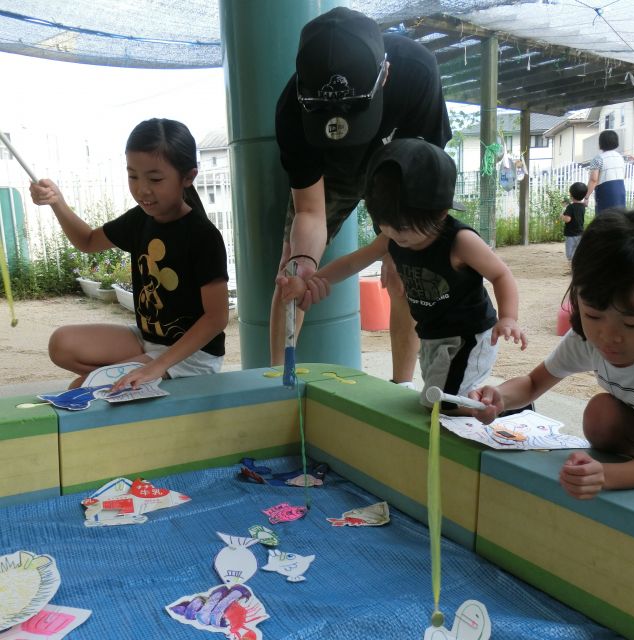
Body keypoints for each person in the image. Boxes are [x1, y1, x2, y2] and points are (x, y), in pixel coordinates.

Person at [271, 6, 452, 388]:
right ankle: (277, 382)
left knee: (405, 270)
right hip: (330, 175)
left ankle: (400, 386)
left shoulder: (416, 73)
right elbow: (310, 210)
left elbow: (427, 173)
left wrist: (394, 246)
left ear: (384, 73)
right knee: (290, 274)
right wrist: (304, 260)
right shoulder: (290, 109)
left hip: (395, 164)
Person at [280, 138, 526, 411]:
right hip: (432, 333)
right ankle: (506, 406)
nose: (397, 235)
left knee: (446, 404)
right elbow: (351, 263)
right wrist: (312, 281)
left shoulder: (460, 241)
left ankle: (513, 406)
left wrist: (508, 317)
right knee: (435, 401)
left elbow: (501, 275)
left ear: (441, 212)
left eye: (405, 227)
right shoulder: (392, 237)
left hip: (469, 335)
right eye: (387, 225)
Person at [29, 118, 229, 390]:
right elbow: (87, 241)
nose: (142, 189)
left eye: (155, 178)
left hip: (192, 356)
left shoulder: (202, 235)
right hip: (146, 339)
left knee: (82, 389)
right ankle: (134, 374)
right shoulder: (139, 220)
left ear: (188, 177)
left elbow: (216, 319)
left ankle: (139, 378)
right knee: (62, 345)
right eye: (132, 175)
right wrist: (57, 202)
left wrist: (156, 367)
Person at [469, 209, 634, 498]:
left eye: (633, 323)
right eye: (593, 316)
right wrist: (499, 398)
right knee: (600, 416)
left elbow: (606, 477)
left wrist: (608, 476)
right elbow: (535, 383)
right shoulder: (586, 340)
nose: (609, 338)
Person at [585, 130, 626, 215]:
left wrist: (586, 197)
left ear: (600, 143)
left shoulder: (598, 159)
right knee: (620, 219)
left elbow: (593, 180)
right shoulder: (620, 157)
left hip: (606, 192)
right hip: (620, 191)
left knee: (604, 221)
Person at [560, 181, 587, 268]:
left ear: (571, 195)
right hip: (580, 232)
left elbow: (568, 219)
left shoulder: (570, 207)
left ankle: (573, 267)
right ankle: (579, 265)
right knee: (578, 250)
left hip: (571, 234)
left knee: (570, 252)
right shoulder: (583, 206)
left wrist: (562, 216)